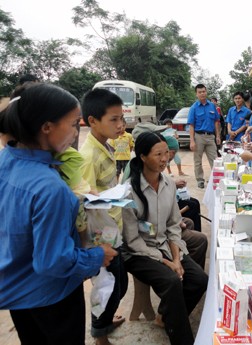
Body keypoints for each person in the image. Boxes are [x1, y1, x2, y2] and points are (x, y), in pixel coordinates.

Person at [0, 83, 117, 345]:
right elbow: (52, 262)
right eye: (74, 123)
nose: (77, 132)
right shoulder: (50, 188)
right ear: (46, 127)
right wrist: (98, 255)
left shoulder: (5, 161)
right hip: (51, 296)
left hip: (17, 291)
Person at [122, 131, 208, 345]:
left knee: (199, 280)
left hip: (163, 245)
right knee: (172, 282)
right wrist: (168, 263)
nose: (164, 159)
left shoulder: (168, 184)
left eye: (166, 153)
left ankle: (166, 316)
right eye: (157, 154)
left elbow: (172, 226)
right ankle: (182, 338)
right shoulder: (128, 193)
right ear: (142, 157)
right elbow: (133, 241)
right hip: (138, 252)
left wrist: (177, 259)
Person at [80, 88, 129, 345]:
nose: (120, 124)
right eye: (114, 119)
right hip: (101, 237)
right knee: (106, 286)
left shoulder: (106, 146)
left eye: (122, 118)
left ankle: (105, 321)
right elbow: (86, 202)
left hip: (113, 228)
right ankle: (99, 334)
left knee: (118, 285)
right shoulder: (88, 156)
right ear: (92, 121)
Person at [187, 84, 221, 188]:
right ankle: (200, 180)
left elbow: (216, 122)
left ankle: (216, 179)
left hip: (210, 137)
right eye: (200, 92)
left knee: (215, 159)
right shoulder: (194, 108)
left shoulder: (212, 106)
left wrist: (218, 136)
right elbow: (191, 125)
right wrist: (192, 141)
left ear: (206, 92)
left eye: (204, 91)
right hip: (199, 137)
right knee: (198, 160)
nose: (202, 93)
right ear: (196, 94)